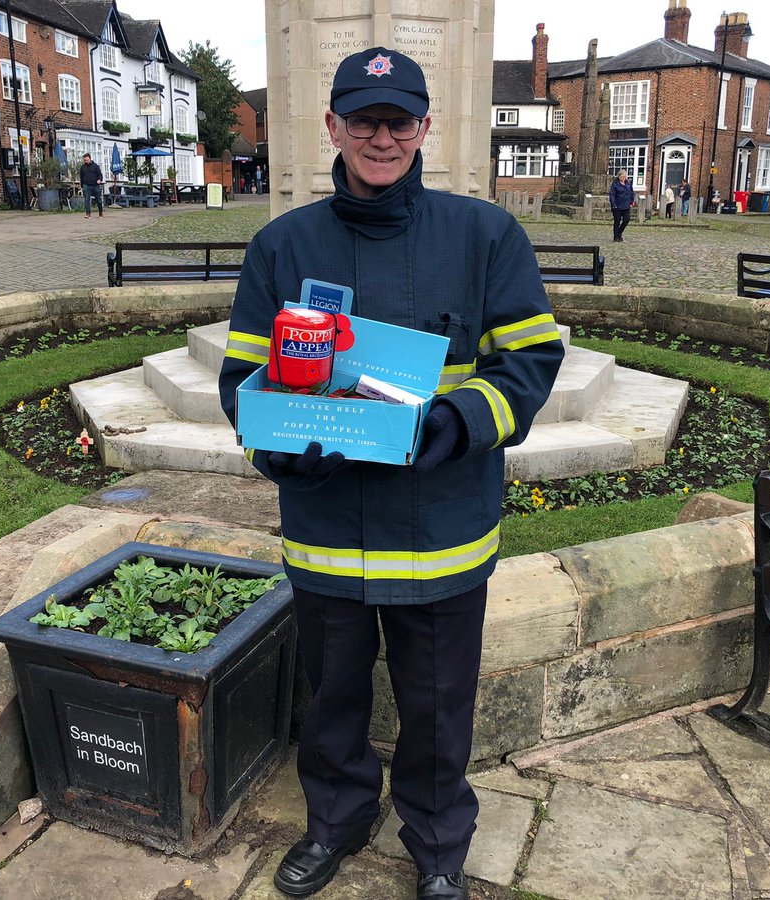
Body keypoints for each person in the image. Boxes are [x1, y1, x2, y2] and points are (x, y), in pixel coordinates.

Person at [218, 46, 564, 900]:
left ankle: (440, 847)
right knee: (331, 697)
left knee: (440, 708)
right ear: (332, 125)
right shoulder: (280, 245)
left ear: (425, 128)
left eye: (398, 120)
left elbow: (531, 361)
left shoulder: (486, 234)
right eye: (363, 119)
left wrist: (454, 422)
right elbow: (241, 376)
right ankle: (336, 823)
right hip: (327, 525)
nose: (381, 136)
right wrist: (276, 436)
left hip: (442, 524)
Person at [610, 168, 635, 241]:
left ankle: (619, 232)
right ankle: (615, 236)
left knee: (626, 220)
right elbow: (612, 194)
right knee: (617, 221)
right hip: (617, 205)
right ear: (619, 176)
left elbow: (631, 193)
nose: (624, 178)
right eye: (622, 177)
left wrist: (631, 201)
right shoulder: (615, 184)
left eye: (625, 176)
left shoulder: (628, 184)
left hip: (626, 205)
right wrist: (613, 203)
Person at [79, 153, 103, 218]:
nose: (86, 161)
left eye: (87, 160)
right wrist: (82, 186)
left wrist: (100, 180)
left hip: (95, 185)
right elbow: (81, 177)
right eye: (85, 160)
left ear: (90, 158)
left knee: (98, 200)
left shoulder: (95, 166)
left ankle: (100, 213)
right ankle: (88, 214)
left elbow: (100, 175)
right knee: (87, 199)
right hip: (86, 185)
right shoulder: (82, 167)